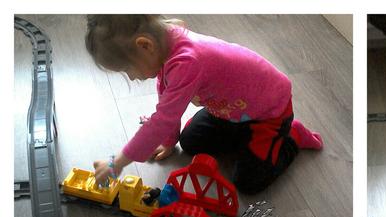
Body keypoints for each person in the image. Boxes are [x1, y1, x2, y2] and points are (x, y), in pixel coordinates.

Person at [85, 15, 323, 194]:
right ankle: (245, 138)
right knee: (190, 142)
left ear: (145, 45)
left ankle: (291, 137)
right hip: (232, 110)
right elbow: (167, 102)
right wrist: (169, 141)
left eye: (127, 69)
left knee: (248, 182)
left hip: (269, 113)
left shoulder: (188, 61)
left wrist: (117, 163)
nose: (132, 77)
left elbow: (162, 120)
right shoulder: (164, 43)